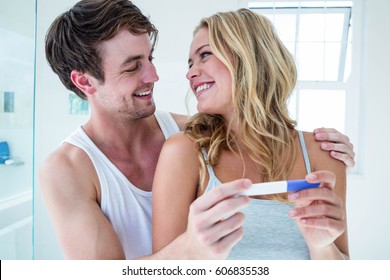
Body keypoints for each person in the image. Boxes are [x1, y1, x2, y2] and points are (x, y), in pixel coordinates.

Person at [40, 0, 353, 260]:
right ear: (84, 81)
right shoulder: (67, 170)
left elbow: (248, 125)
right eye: (133, 66)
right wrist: (190, 248)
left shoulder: (196, 133)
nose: (154, 75)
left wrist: (332, 149)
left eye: (150, 58)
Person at [152, 9, 349, 259]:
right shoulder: (184, 152)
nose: (190, 73)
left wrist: (322, 246)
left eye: (204, 55)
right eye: (190, 63)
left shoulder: (324, 153)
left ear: (249, 55)